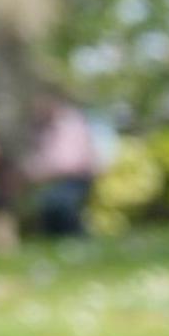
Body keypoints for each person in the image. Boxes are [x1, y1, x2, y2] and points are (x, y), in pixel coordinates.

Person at [21, 93, 99, 239]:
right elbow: (37, 162)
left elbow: (70, 161)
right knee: (46, 205)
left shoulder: (70, 124)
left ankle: (78, 239)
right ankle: (56, 241)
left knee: (62, 203)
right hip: (55, 180)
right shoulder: (41, 130)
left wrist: (45, 171)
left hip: (77, 177)